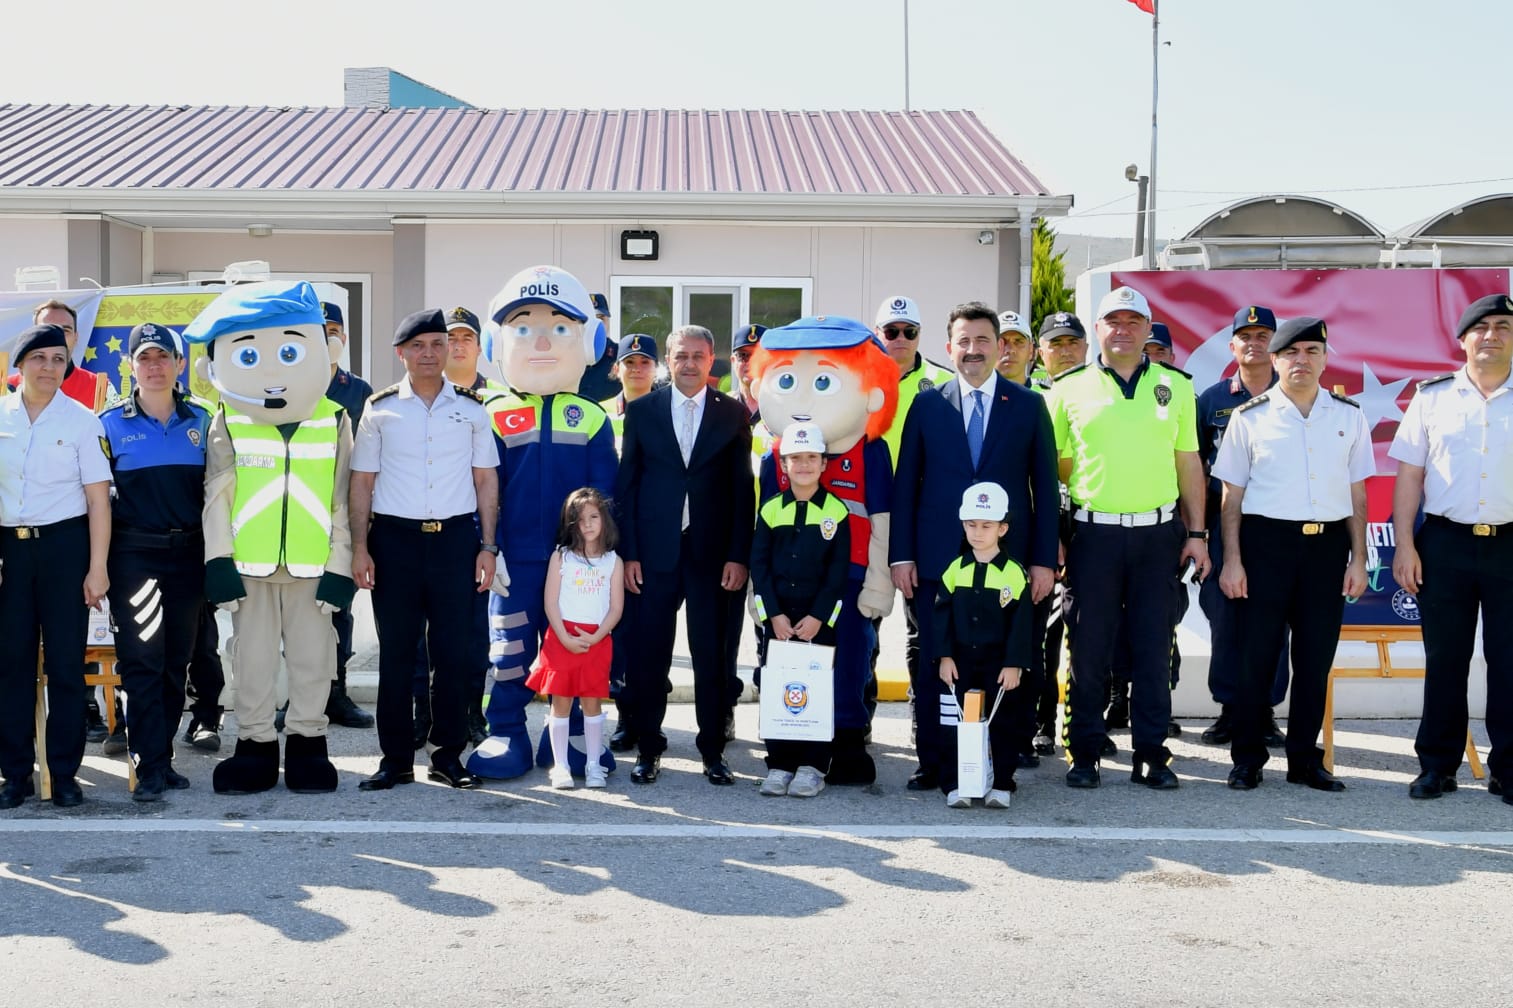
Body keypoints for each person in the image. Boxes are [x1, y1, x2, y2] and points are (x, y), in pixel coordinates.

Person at [189, 280, 355, 795]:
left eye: (288, 351)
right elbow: (216, 495)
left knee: (314, 660)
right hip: (249, 568)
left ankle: (308, 743)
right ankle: (256, 745)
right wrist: (218, 560)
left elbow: (343, 501)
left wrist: (340, 567)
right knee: (252, 661)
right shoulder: (230, 419)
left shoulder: (335, 420)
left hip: (312, 567)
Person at [890, 301, 1058, 792]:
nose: (972, 350)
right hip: (939, 564)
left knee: (1007, 657)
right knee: (935, 659)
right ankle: (935, 761)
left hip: (1007, 565)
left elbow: (1044, 488)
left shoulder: (1028, 405)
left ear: (1001, 347)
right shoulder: (927, 403)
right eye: (963, 341)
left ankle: (1002, 760)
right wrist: (902, 554)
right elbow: (907, 485)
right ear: (948, 347)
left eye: (983, 340)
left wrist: (1043, 560)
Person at [1046, 285, 1208, 790]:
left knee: (1153, 649)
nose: (1123, 330)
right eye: (1112, 321)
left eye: (1133, 321)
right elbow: (1052, 468)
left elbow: (1188, 463)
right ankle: (1084, 752)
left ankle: (1152, 755)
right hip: (1093, 536)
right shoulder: (1069, 388)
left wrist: (1197, 532)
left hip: (1157, 536)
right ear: (1097, 330)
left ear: (1147, 329)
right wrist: (1055, 534)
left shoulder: (1175, 387)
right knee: (1088, 648)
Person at [468, 265, 618, 782]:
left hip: (579, 565)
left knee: (576, 648)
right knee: (509, 651)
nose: (541, 342)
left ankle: (575, 734)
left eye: (559, 328)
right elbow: (480, 492)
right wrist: (489, 547)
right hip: (516, 559)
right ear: (498, 340)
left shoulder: (595, 417)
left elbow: (606, 498)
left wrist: (599, 560)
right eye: (523, 327)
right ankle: (505, 729)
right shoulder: (488, 413)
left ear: (590, 341)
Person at [1215, 316, 1371, 791]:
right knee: (1255, 658)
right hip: (1265, 547)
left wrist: (1360, 559)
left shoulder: (1349, 416)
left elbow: (1357, 494)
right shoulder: (1249, 417)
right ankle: (1247, 758)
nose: (1301, 360)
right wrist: (1233, 560)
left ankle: (1305, 759)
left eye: (1312, 352)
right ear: (1276, 360)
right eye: (1291, 353)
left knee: (1314, 659)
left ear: (1325, 359)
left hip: (1326, 548)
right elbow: (1231, 498)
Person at [351, 308, 499, 792]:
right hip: (394, 542)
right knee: (397, 654)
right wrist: (360, 547)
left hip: (456, 541)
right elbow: (362, 484)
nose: (431, 353)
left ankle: (447, 755)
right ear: (402, 353)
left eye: (439, 344)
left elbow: (485, 481)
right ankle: (394, 760)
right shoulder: (380, 408)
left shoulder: (473, 409)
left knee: (453, 655)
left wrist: (487, 546)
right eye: (419, 346)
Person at [751, 316, 898, 784]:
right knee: (791, 665)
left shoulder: (870, 450)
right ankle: (788, 748)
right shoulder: (775, 455)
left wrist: (878, 584)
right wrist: (764, 600)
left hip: (848, 581)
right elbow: (763, 536)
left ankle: (848, 741)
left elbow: (881, 521)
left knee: (850, 661)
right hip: (791, 586)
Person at [617, 324, 754, 786]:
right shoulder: (642, 411)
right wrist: (629, 554)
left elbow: (742, 491)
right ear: (668, 361)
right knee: (648, 654)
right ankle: (649, 746)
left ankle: (712, 750)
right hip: (653, 556)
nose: (690, 364)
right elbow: (628, 487)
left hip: (713, 557)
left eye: (698, 355)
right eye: (681, 356)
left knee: (711, 656)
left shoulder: (733, 415)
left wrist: (738, 555)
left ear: (712, 359)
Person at [1391, 293, 1513, 804]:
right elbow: (1409, 477)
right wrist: (1403, 546)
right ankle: (1437, 766)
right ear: (1462, 340)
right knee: (1445, 660)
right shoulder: (1432, 397)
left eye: (1504, 326)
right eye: (1481, 327)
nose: (1492, 335)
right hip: (1444, 543)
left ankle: (1508, 769)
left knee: (1510, 661)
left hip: (1510, 545)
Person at [98, 323, 213, 801]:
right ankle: (147, 765)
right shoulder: (107, 425)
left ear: (180, 364)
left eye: (163, 357)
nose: (154, 366)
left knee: (175, 662)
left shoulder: (204, 422)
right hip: (135, 557)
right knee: (142, 661)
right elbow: (96, 502)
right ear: (130, 366)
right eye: (144, 358)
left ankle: (161, 756)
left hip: (189, 556)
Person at [0, 323, 111, 809]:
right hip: (9, 551)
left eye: (58, 360)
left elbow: (98, 502)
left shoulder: (83, 421)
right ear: (19, 364)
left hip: (66, 548)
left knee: (66, 665)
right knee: (11, 667)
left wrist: (98, 567)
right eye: (40, 358)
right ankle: (15, 774)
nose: (49, 368)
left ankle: (63, 774)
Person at [1196, 305, 1286, 748]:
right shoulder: (1211, 400)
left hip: (1275, 523)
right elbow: (1192, 467)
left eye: (1262, 334)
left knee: (1273, 618)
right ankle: (1230, 708)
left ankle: (1265, 711)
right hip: (1219, 521)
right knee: (1225, 618)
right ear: (1231, 346)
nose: (1254, 342)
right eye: (1245, 336)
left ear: (1275, 343)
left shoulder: (1291, 395)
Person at [751, 422, 853, 798]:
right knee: (777, 689)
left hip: (816, 623)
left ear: (824, 464)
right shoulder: (771, 509)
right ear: (785, 464)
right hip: (778, 621)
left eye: (812, 458)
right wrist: (772, 615)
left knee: (816, 691)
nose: (805, 465)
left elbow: (838, 574)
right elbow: (759, 567)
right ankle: (779, 763)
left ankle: (812, 765)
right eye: (797, 459)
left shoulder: (837, 513)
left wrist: (819, 618)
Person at [935, 482, 1032, 809]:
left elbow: (1022, 624)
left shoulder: (1014, 574)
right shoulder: (953, 571)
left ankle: (1002, 783)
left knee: (1003, 723)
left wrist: (1014, 662)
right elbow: (940, 618)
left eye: (987, 525)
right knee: (955, 725)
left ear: (1002, 528)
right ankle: (955, 783)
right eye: (972, 524)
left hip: (998, 664)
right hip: (959, 663)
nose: (978, 532)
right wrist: (944, 656)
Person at [527, 487, 624, 789]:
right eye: (580, 519)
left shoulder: (613, 561)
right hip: (562, 639)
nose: (588, 524)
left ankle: (594, 766)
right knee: (561, 705)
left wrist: (596, 636)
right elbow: (550, 602)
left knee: (592, 704)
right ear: (571, 524)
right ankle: (561, 767)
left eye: (594, 516)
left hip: (596, 640)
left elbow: (616, 607)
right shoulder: (561, 557)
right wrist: (565, 638)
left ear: (604, 520)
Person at [1028, 311, 1088, 756]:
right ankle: (1038, 722)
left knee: (1085, 636)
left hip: (1087, 527)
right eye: (1056, 344)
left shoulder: (1099, 394)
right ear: (1040, 352)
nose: (1065, 351)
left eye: (1072, 343)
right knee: (1038, 637)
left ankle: (1083, 726)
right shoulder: (1029, 400)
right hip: (1043, 530)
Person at [316, 301, 376, 731]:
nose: (327, 338)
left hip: (342, 515)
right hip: (296, 515)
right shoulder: (286, 384)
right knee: (299, 612)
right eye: (318, 330)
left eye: (334, 329)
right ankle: (303, 693)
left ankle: (336, 691)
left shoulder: (359, 391)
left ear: (345, 338)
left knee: (339, 607)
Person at [600, 333, 659, 754]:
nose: (637, 368)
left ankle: (648, 715)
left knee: (647, 632)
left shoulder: (663, 413)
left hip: (647, 534)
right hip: (606, 537)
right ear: (616, 368)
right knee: (618, 634)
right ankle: (625, 716)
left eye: (644, 362)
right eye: (630, 362)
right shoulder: (601, 413)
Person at [6, 300, 103, 406]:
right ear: (33, 336)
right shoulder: (6, 388)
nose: (57, 337)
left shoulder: (100, 388)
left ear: (76, 337)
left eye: (65, 330)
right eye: (48, 329)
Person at [576, 292, 622, 404]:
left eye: (601, 318)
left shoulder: (620, 356)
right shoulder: (566, 356)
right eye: (589, 319)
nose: (597, 324)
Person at [994, 310, 1041, 388]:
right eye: (1002, 342)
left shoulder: (1046, 397)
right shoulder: (975, 396)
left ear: (1030, 350)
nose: (1010, 350)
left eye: (1018, 341)